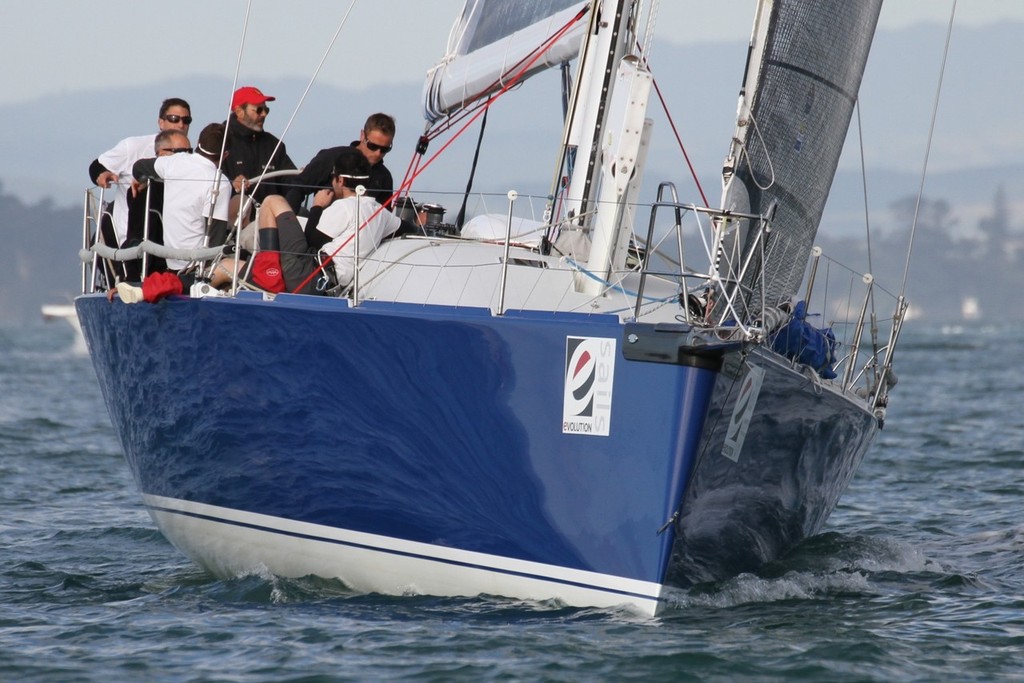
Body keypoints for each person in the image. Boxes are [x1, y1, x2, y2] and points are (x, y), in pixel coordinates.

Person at [216, 150, 412, 294]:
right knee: (228, 265)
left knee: (272, 202)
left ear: (340, 181)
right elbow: (406, 227)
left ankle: (269, 274)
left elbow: (311, 241)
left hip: (307, 275)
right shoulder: (380, 211)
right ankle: (267, 271)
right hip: (328, 283)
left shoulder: (343, 207)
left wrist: (318, 206)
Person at [88, 98, 192, 251]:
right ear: (161, 122)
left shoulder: (190, 155)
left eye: (186, 120)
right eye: (174, 119)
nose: (180, 124)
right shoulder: (134, 146)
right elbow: (97, 165)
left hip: (171, 239)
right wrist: (103, 174)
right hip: (127, 236)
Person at [132, 123, 232, 274]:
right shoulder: (221, 182)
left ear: (198, 144)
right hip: (196, 270)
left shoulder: (174, 162)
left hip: (172, 265)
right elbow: (215, 240)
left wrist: (142, 178)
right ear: (225, 155)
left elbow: (138, 167)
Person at [284, 112, 396, 213]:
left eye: (385, 149)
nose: (378, 153)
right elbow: (298, 187)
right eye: (373, 146)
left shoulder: (384, 177)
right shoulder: (331, 157)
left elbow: (384, 215)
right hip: (321, 228)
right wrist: (289, 223)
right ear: (362, 135)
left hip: (362, 232)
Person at [121, 129, 193, 279]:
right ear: (160, 154)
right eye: (180, 152)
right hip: (160, 275)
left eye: (190, 152)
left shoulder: (198, 183)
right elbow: (136, 240)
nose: (187, 158)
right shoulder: (146, 193)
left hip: (196, 267)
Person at [223, 86, 296, 219]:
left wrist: (306, 177)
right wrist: (231, 185)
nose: (264, 114)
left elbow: (291, 183)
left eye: (266, 110)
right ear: (239, 111)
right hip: (234, 228)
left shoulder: (274, 145)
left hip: (272, 223)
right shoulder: (220, 140)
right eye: (259, 110)